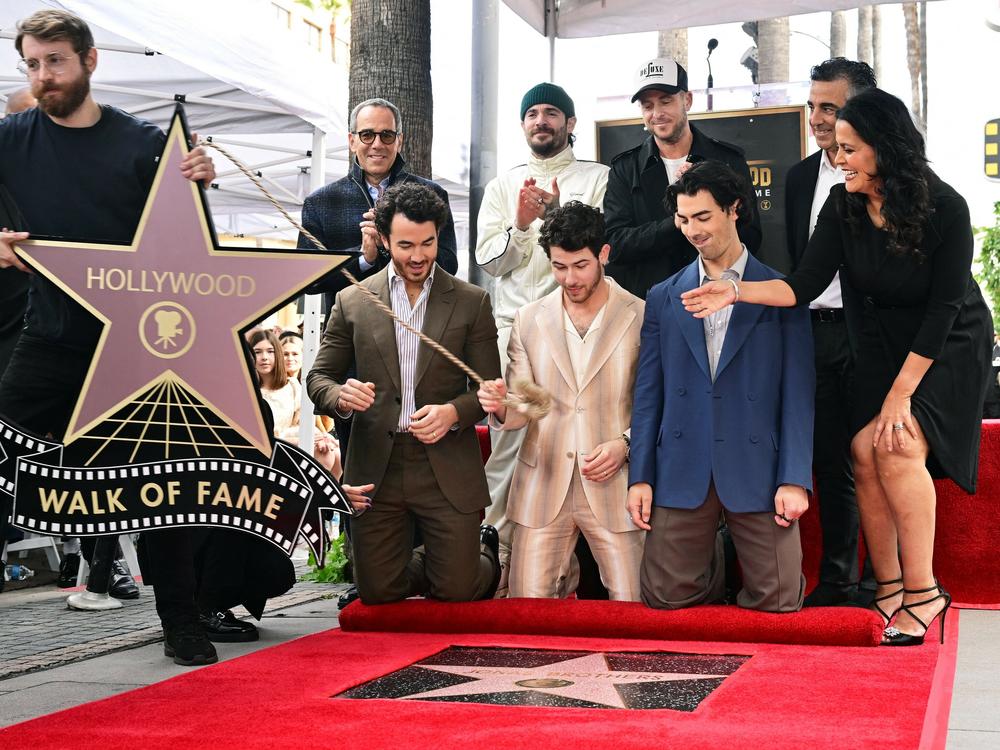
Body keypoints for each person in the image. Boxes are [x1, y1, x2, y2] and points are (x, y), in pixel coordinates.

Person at [683, 89, 993, 644]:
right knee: (859, 452)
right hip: (878, 338)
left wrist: (900, 395)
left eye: (849, 148)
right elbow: (802, 286)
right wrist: (733, 292)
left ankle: (926, 593)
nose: (839, 157)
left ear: (884, 149)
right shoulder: (842, 205)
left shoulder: (945, 206)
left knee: (896, 445)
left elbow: (945, 308)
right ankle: (889, 588)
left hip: (946, 343)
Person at [0, 10, 218, 664]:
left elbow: (190, 242)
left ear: (90, 62)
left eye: (55, 61)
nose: (43, 76)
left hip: (137, 346)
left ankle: (181, 620)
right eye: (33, 64)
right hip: (50, 337)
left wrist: (202, 181)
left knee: (160, 483)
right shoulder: (10, 139)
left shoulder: (143, 144)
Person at [627, 160, 814, 613]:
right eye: (684, 219)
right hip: (681, 463)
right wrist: (642, 475)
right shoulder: (663, 296)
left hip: (758, 467)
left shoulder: (781, 291)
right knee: (665, 599)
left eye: (703, 217)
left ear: (734, 209)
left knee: (779, 600)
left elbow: (798, 394)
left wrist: (794, 479)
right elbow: (648, 393)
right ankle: (709, 570)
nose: (693, 230)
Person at [306, 182, 501, 605]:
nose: (418, 256)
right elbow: (318, 378)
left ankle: (480, 551)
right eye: (406, 245)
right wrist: (340, 395)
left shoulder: (472, 301)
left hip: (446, 463)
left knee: (458, 590)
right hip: (378, 465)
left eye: (428, 243)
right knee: (378, 592)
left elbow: (485, 388)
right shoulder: (352, 299)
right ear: (383, 238)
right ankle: (441, 560)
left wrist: (453, 412)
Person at [475, 82, 609, 595]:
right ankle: (493, 566)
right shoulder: (502, 187)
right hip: (515, 336)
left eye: (552, 113)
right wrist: (524, 224)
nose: (541, 121)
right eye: (532, 113)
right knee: (509, 448)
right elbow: (492, 264)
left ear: (570, 123)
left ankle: (573, 578)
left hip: (583, 336)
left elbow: (597, 255)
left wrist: (553, 218)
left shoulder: (598, 178)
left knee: (581, 444)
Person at [477, 201, 644, 600]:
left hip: (616, 483)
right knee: (528, 611)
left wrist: (626, 444)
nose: (569, 278)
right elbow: (524, 408)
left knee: (634, 607)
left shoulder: (642, 314)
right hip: (543, 480)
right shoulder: (528, 319)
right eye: (559, 266)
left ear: (603, 254)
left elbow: (658, 403)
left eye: (580, 265)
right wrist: (500, 406)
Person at [786, 58, 877, 608]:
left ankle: (882, 578)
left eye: (830, 108)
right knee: (829, 460)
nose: (817, 119)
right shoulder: (798, 179)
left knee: (873, 456)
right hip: (811, 333)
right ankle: (840, 580)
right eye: (813, 105)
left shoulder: (882, 176)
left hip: (869, 335)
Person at [603, 58, 761, 300]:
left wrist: (710, 196)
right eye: (648, 106)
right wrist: (675, 223)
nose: (657, 114)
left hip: (719, 298)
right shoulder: (625, 168)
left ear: (687, 100)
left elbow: (751, 234)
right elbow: (616, 246)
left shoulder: (727, 160)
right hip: (649, 303)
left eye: (666, 102)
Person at [298, 97, 458, 313]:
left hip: (417, 323)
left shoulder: (433, 194)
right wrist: (363, 258)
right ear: (352, 141)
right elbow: (307, 280)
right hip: (349, 332)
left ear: (399, 141)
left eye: (387, 135)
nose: (377, 144)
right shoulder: (320, 203)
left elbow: (449, 265)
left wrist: (392, 245)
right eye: (367, 135)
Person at [250, 328, 341, 477]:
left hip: (292, 443)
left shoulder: (292, 386)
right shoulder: (249, 390)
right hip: (268, 449)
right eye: (258, 352)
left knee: (333, 451)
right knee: (324, 454)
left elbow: (302, 423)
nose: (264, 357)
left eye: (270, 351)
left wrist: (323, 437)